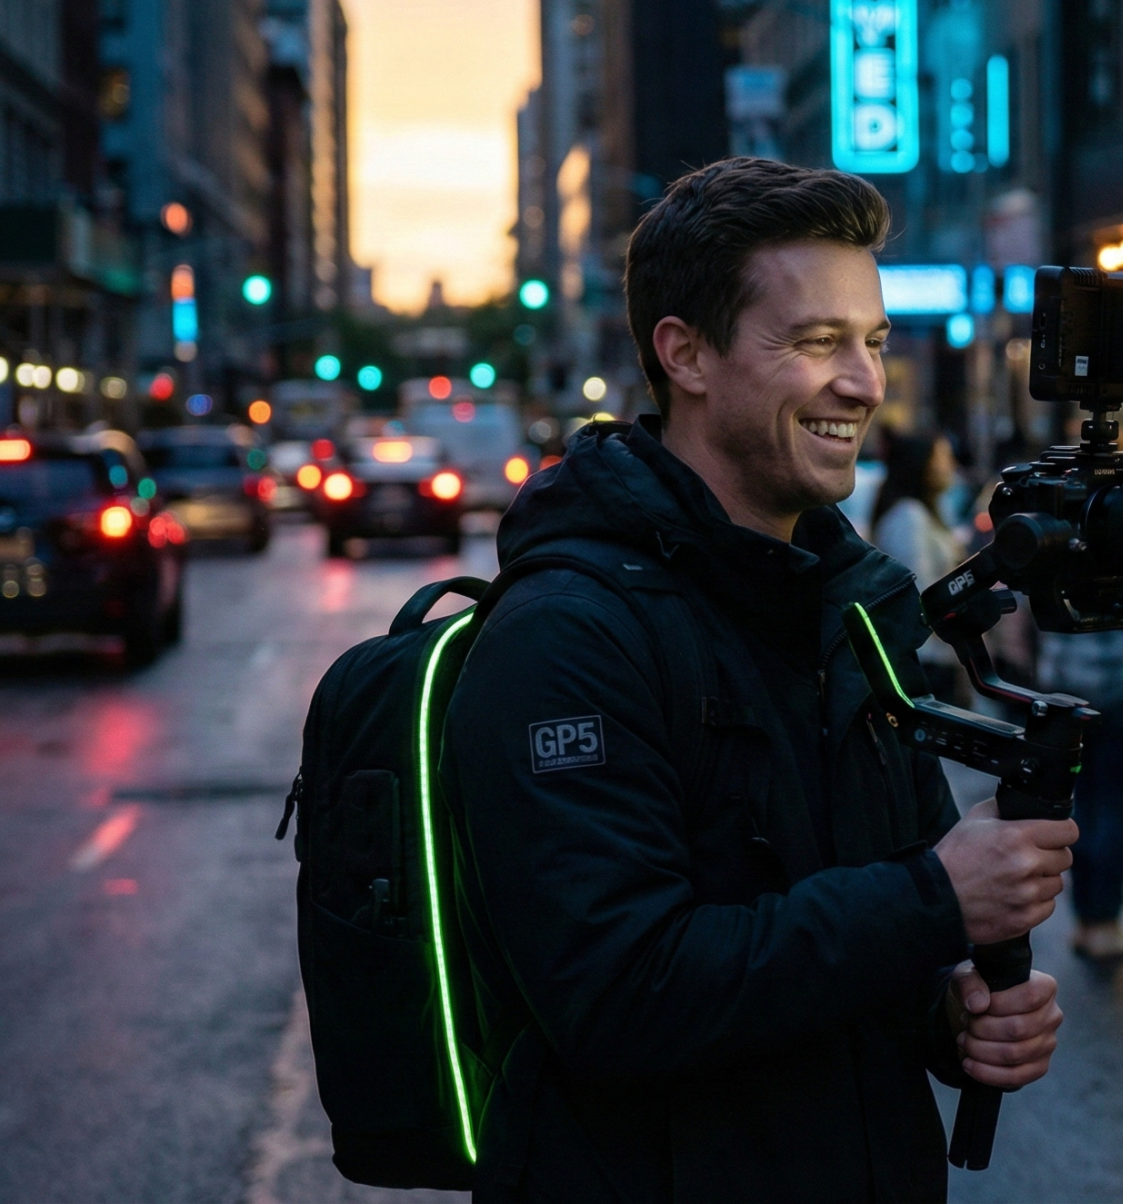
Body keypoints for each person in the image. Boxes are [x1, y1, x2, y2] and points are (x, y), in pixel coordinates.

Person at [446, 158, 1073, 1201]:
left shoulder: (851, 605)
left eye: (870, 342)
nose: (866, 383)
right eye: (817, 341)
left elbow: (884, 927)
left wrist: (951, 1009)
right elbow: (615, 994)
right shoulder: (567, 632)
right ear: (684, 354)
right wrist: (931, 899)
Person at [1039, 625, 1123, 961]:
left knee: (1081, 804)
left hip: (1062, 687)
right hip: (1120, 685)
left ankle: (1085, 921)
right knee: (1115, 809)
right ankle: (1104, 924)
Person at [872, 429, 967, 693]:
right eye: (942, 458)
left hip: (934, 657)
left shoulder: (926, 512)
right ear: (921, 464)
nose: (950, 466)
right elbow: (920, 593)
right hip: (925, 661)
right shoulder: (909, 517)